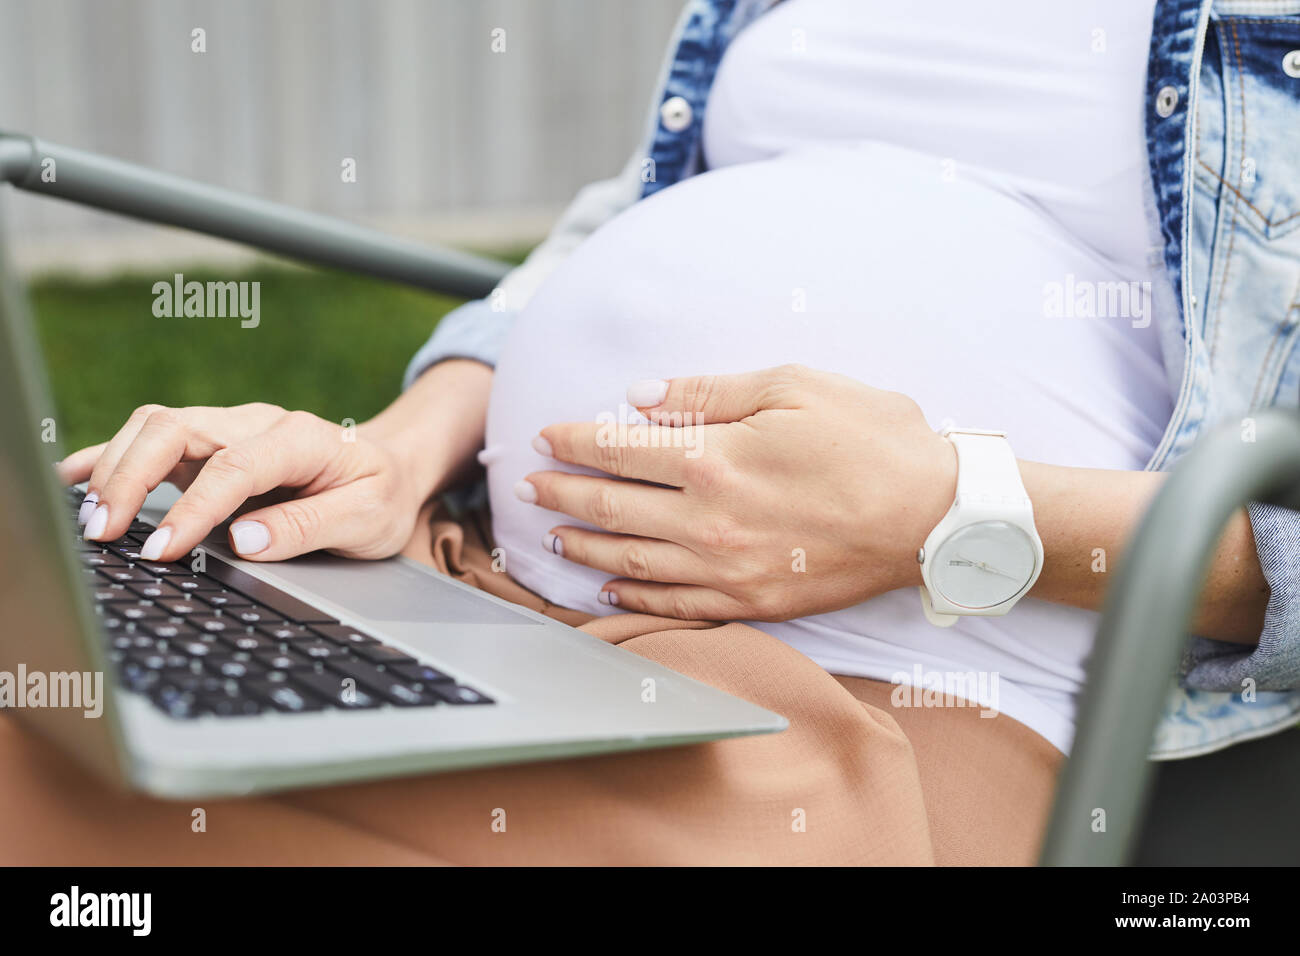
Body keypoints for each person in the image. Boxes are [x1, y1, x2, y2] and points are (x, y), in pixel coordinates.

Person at [52, 0, 1300, 863]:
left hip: (873, 690)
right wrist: (397, 445)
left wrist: (954, 517)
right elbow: (629, 212)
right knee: (76, 693)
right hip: (479, 577)